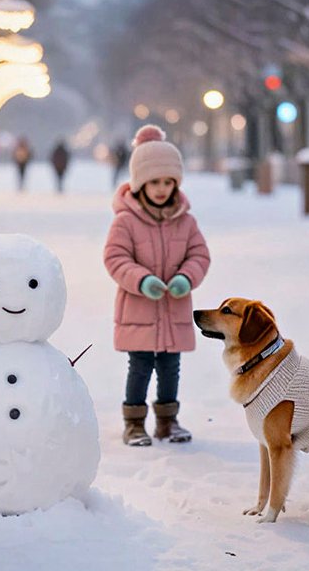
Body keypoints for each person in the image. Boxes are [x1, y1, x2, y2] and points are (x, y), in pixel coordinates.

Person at [103, 124, 211, 446]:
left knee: (170, 367)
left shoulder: (186, 221)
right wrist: (142, 280)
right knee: (140, 367)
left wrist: (186, 278)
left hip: (173, 309)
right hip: (139, 308)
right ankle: (134, 422)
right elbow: (115, 258)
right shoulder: (126, 221)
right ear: (139, 184)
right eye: (154, 182)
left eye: (168, 182)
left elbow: (200, 255)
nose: (162, 189)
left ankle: (167, 420)